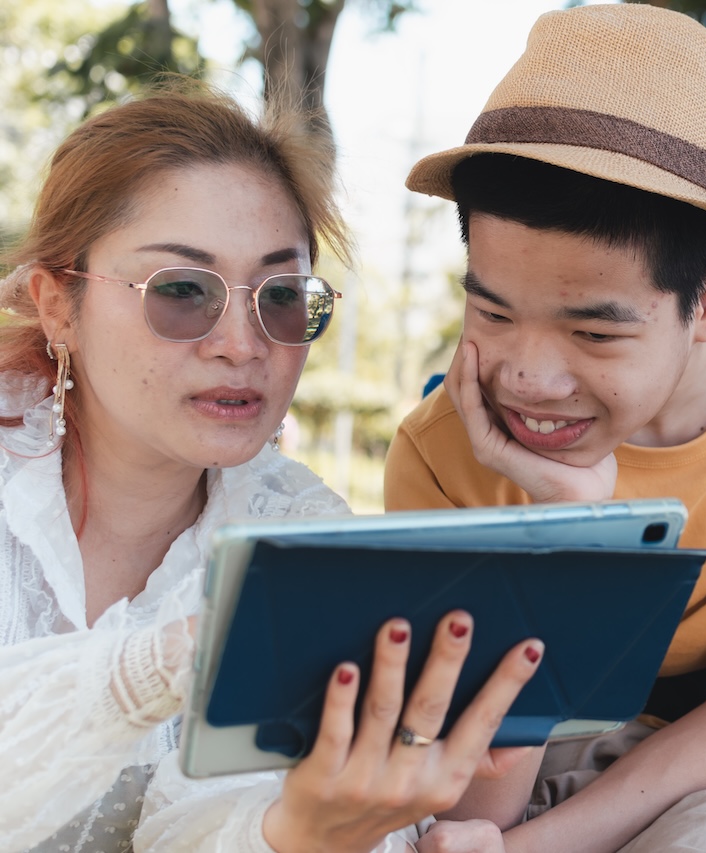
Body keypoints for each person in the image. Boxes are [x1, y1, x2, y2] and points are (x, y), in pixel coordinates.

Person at [383, 5, 706, 852]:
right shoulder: (441, 448)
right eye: (492, 309)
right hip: (523, 753)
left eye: (593, 332)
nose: (529, 378)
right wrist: (566, 526)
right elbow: (478, 807)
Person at [0, 83, 542, 853]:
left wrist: (302, 831)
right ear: (59, 306)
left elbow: (202, 821)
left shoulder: (303, 532)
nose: (243, 344)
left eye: (281, 296)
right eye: (182, 290)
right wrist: (159, 665)